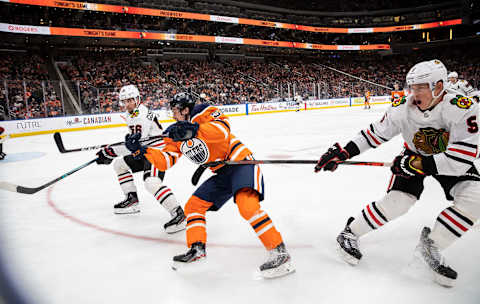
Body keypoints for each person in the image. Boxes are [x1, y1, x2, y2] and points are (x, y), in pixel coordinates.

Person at [314, 60, 479, 287]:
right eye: (412, 86)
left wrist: (417, 164)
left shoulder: (463, 107)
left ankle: (431, 246)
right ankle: (350, 232)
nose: (414, 92)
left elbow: (462, 157)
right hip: (413, 155)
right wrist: (343, 152)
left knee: (475, 199)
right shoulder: (403, 106)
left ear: (439, 87)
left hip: (449, 159)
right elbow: (375, 134)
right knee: (399, 201)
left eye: (421, 87)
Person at [125, 92, 294, 278]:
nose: (172, 115)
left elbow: (222, 131)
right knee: (194, 206)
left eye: (174, 110)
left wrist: (194, 130)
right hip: (221, 172)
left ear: (185, 109)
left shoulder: (204, 111)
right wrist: (142, 151)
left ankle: (280, 253)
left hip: (240, 163)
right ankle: (197, 249)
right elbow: (166, 160)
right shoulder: (174, 133)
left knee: (247, 206)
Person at [95, 85, 186, 234]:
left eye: (130, 100)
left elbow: (136, 144)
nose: (127, 104)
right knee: (120, 165)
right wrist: (111, 151)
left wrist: (110, 151)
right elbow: (135, 144)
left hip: (156, 152)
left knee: (151, 183)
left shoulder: (141, 115)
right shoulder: (131, 114)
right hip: (144, 151)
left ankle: (178, 213)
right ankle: (132, 199)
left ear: (137, 99)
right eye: (125, 101)